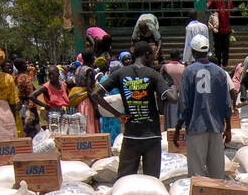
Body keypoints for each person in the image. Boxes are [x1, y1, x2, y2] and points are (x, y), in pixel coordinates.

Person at [94, 44, 169, 179]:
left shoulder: (120, 73)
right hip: (152, 136)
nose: (154, 58)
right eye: (152, 55)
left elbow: (95, 95)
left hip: (131, 136)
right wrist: (174, 88)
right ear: (146, 54)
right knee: (151, 181)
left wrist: (118, 115)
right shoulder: (153, 74)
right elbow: (172, 98)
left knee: (125, 178)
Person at [174, 34, 232, 179]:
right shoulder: (220, 72)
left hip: (195, 127)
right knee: (217, 172)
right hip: (216, 127)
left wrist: (177, 128)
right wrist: (228, 128)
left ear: (193, 52)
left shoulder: (189, 71)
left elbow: (184, 104)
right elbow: (227, 103)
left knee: (196, 172)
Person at [208, 0, 232, 68]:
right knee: (218, 47)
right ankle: (218, 63)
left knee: (226, 48)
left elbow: (229, 12)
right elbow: (208, 5)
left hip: (226, 28)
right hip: (217, 28)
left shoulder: (229, 0)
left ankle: (225, 64)